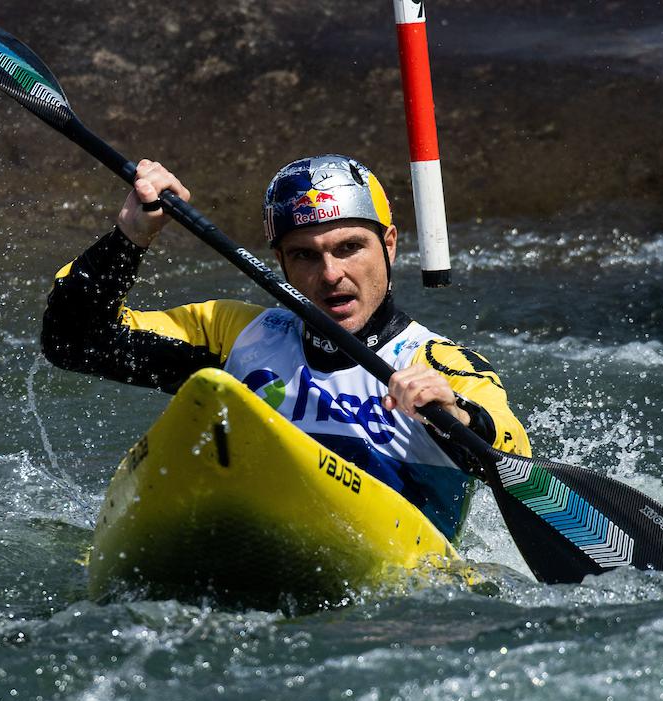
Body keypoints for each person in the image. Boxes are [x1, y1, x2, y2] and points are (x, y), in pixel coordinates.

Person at [42, 154, 530, 541]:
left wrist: (455, 416)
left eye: (348, 248)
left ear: (390, 244)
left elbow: (516, 460)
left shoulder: (439, 364)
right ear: (280, 262)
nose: (330, 274)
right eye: (304, 255)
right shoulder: (235, 335)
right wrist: (129, 238)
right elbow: (74, 340)